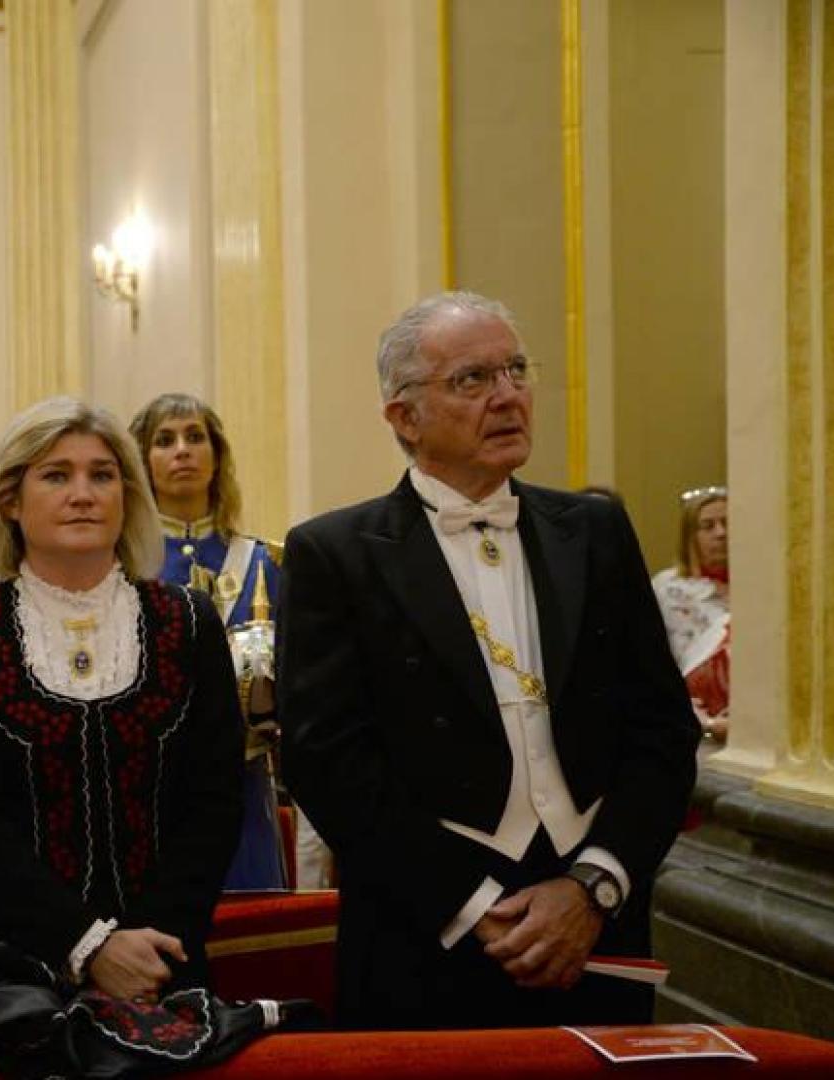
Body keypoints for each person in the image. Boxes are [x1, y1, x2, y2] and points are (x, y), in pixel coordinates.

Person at [279, 292, 700, 1029]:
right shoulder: (335, 554)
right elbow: (327, 760)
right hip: (427, 931)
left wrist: (595, 884)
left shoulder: (596, 532)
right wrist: (471, 906)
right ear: (403, 418)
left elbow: (663, 732)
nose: (507, 395)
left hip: (597, 918)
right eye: (472, 380)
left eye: (514, 370)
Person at [0, 397, 245, 1003]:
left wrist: (147, 950)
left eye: (101, 475)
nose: (83, 493)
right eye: (56, 475)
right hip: (14, 972)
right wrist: (89, 948)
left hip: (165, 964)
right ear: (10, 501)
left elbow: (215, 801)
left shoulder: (189, 621)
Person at [128, 394, 289, 892]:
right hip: (147, 790)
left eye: (195, 437)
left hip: (243, 786)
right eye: (165, 440)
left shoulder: (268, 562)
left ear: (216, 455)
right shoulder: (122, 566)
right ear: (141, 460)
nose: (182, 451)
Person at [651, 487, 730, 740]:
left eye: (728, 523)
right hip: (690, 721)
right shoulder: (668, 588)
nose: (721, 533)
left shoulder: (762, 586)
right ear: (689, 536)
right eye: (708, 526)